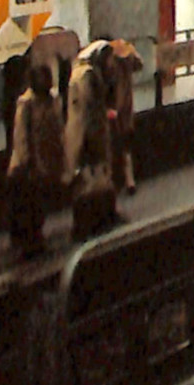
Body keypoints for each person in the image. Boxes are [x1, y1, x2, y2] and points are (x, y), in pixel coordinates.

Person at [65, 41, 123, 241]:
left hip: (90, 132)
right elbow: (90, 105)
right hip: (88, 134)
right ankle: (88, 224)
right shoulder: (87, 75)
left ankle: (99, 218)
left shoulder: (84, 73)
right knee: (88, 180)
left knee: (97, 178)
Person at [8, 63, 63, 259]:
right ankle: (29, 244)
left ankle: (36, 240)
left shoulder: (53, 99)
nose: (48, 82)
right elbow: (21, 136)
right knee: (29, 206)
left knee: (40, 205)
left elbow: (57, 129)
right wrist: (27, 162)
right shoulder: (26, 103)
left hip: (45, 163)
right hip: (28, 167)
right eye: (44, 78)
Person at [107, 37, 144, 195]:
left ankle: (114, 181)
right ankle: (129, 180)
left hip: (112, 109)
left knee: (113, 146)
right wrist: (131, 50)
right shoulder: (128, 61)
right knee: (125, 145)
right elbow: (140, 64)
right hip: (125, 109)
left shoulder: (109, 64)